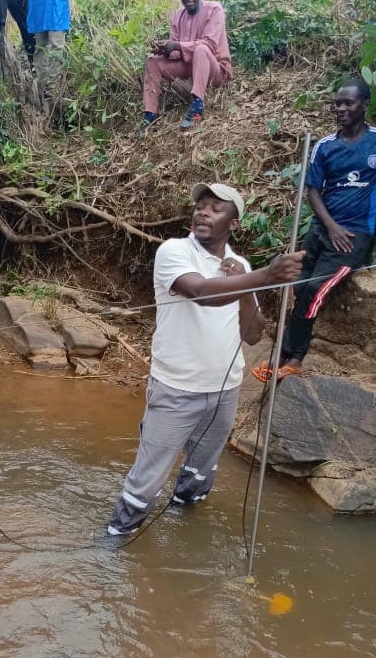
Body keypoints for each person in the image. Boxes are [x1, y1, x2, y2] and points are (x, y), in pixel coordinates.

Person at [107, 183, 304, 536]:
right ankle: (116, 539)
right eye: (201, 206)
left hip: (224, 391)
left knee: (201, 469)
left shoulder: (240, 264)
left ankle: (185, 524)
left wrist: (243, 283)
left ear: (234, 222)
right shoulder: (174, 251)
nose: (203, 212)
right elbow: (198, 292)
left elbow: (254, 333)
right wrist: (265, 276)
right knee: (148, 477)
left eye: (216, 208)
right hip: (176, 388)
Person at [256, 77, 376, 382]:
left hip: (354, 236)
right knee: (300, 287)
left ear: (363, 106)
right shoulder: (325, 146)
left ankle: (289, 356)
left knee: (316, 289)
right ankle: (291, 355)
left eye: (347, 103)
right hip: (320, 230)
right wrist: (330, 227)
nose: (340, 108)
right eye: (337, 103)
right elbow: (313, 190)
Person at [141, 0, 233, 132]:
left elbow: (209, 45)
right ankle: (149, 115)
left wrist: (177, 45)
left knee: (201, 49)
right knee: (152, 61)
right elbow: (177, 53)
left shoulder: (214, 10)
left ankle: (197, 107)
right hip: (189, 68)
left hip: (216, 71)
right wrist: (164, 50)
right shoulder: (177, 15)